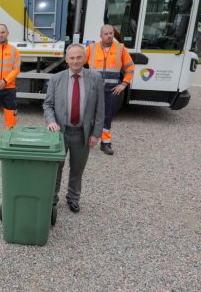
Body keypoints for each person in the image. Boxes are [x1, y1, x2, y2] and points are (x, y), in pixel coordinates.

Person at [44, 44, 104, 213]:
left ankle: (73, 198)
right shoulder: (56, 79)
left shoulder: (95, 78)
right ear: (66, 59)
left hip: (82, 134)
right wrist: (51, 121)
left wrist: (96, 134)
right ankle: (52, 198)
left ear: (84, 58)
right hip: (59, 134)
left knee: (77, 170)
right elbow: (48, 105)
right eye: (72, 58)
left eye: (79, 57)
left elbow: (100, 109)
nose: (75, 61)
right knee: (56, 168)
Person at [85, 24, 134, 155]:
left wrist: (123, 84)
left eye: (111, 33)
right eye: (106, 33)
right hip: (94, 89)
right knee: (89, 114)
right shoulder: (91, 48)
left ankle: (105, 144)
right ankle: (87, 140)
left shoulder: (120, 49)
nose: (109, 36)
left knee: (107, 117)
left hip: (111, 90)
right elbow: (78, 64)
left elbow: (130, 67)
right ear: (100, 36)